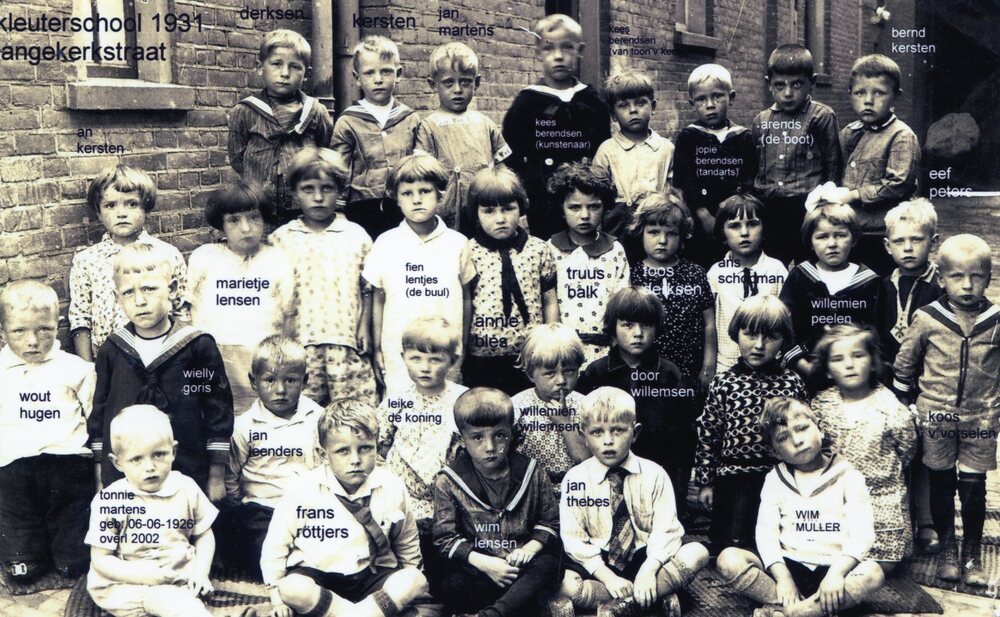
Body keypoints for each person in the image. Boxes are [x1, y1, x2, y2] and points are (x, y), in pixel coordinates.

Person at [893, 234, 999, 585]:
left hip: (981, 418)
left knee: (974, 487)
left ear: (989, 278)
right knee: (941, 483)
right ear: (941, 278)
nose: (967, 285)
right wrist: (906, 406)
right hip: (936, 416)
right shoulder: (928, 318)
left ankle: (972, 555)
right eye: (957, 276)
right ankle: (948, 550)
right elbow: (904, 366)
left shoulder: (996, 319)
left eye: (976, 276)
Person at [716, 397, 885, 617]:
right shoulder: (775, 479)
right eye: (783, 437)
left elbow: (863, 535)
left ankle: (790, 612)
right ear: (775, 451)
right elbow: (766, 535)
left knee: (873, 572)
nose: (797, 441)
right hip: (789, 567)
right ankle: (810, 610)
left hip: (834, 569)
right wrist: (783, 577)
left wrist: (836, 574)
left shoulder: (848, 476)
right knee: (728, 559)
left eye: (802, 428)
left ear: (820, 429)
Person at [89, 242, 233, 496]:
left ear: (172, 289)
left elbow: (217, 412)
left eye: (149, 289)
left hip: (186, 470)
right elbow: (100, 412)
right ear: (117, 297)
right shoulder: (113, 349)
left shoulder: (197, 346)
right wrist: (102, 472)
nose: (140, 301)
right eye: (128, 292)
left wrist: (216, 475)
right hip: (127, 477)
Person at [260, 400, 428, 617]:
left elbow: (406, 540)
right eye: (343, 451)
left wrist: (412, 586)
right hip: (318, 576)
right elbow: (275, 546)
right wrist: (276, 597)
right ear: (324, 454)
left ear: (377, 446)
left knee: (415, 579)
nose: (356, 460)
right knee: (291, 589)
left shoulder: (392, 486)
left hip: (371, 577)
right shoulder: (302, 489)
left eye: (365, 448)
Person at [560, 387, 709, 617]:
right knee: (563, 582)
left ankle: (624, 605)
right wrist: (607, 577)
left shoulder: (655, 474)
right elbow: (573, 539)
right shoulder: (575, 479)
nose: (608, 441)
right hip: (599, 562)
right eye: (597, 432)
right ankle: (654, 598)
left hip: (646, 557)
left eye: (618, 430)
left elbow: (667, 530)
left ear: (635, 432)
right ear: (583, 436)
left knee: (697, 553)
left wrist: (649, 570)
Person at [432, 388, 564, 617]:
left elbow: (550, 522)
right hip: (481, 568)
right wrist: (485, 564)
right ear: (462, 438)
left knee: (549, 564)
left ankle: (493, 614)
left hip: (521, 568)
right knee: (452, 583)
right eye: (477, 437)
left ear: (512, 433)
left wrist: (529, 549)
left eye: (499, 435)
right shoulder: (448, 480)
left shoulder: (532, 471)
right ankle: (516, 607)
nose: (490, 447)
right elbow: (445, 538)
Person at [695, 295, 807, 557]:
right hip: (732, 477)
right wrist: (706, 482)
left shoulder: (791, 383)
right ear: (736, 334)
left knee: (774, 542)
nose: (759, 345)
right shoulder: (724, 383)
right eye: (750, 334)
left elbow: (803, 432)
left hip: (778, 476)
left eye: (770, 337)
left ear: (783, 340)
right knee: (729, 543)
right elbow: (709, 434)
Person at [0, 281, 95, 582]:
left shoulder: (76, 369)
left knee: (74, 563)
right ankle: (25, 554)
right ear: (2, 331)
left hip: (66, 465)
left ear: (59, 325)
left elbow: (94, 414)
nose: (33, 341)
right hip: (13, 468)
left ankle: (69, 553)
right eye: (19, 331)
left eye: (44, 330)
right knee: (22, 564)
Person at [269, 147, 377, 407]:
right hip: (301, 345)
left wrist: (365, 326)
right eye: (308, 189)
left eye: (327, 188)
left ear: (339, 191)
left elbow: (368, 287)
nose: (318, 197)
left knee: (354, 411)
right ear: (294, 192)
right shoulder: (281, 239)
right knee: (303, 411)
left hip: (346, 341)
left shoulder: (356, 236)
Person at [577, 287, 697, 522]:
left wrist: (679, 493)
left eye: (646, 325)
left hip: (657, 473)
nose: (638, 333)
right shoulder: (596, 372)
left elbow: (685, 437)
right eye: (628, 325)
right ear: (613, 327)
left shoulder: (670, 374)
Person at [86, 406, 218, 617]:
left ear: (173, 451)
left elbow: (204, 535)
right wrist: (146, 575)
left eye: (159, 454)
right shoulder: (110, 500)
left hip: (178, 575)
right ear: (117, 462)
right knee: (173, 603)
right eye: (136, 459)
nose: (150, 466)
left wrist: (201, 573)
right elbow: (101, 559)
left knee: (180, 600)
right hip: (128, 584)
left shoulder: (186, 487)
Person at [363, 154, 475, 392]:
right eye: (407, 193)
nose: (416, 200)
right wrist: (378, 349)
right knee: (402, 406)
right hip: (399, 352)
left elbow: (466, 297)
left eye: (424, 191)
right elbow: (377, 299)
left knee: (446, 407)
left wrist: (462, 346)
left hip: (445, 352)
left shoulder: (457, 243)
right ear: (396, 198)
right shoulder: (385, 243)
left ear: (440, 194)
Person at [811, 325, 917, 575]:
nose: (849, 365)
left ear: (872, 362)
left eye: (858, 356)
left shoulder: (891, 409)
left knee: (879, 565)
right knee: (819, 554)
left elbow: (907, 450)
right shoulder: (820, 405)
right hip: (836, 502)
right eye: (838, 359)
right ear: (827, 370)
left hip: (881, 501)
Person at [184, 181, 296, 414]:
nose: (246, 228)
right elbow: (185, 310)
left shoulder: (277, 259)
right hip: (214, 357)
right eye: (234, 220)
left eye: (254, 217)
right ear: (221, 225)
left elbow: (288, 316)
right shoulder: (204, 258)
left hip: (261, 357)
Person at [219, 335, 323, 577]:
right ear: (253, 381)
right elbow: (231, 473)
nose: (280, 390)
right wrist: (239, 506)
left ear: (305, 381)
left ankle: (306, 572)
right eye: (270, 380)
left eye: (291, 380)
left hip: (309, 508)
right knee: (261, 549)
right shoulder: (245, 426)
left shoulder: (318, 418)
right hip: (263, 509)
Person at [502, 13, 610, 239]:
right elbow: (511, 156)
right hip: (542, 200)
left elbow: (603, 152)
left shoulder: (591, 101)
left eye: (567, 47)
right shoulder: (526, 103)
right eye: (549, 48)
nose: (558, 56)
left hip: (584, 200)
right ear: (538, 52)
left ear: (580, 50)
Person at [877, 198, 942, 554]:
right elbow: (876, 333)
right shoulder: (883, 285)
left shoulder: (941, 286)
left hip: (929, 383)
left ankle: (928, 521)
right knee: (894, 450)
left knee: (927, 453)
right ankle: (897, 519)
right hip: (890, 383)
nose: (908, 248)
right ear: (888, 246)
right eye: (900, 241)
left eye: (916, 240)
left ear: (933, 242)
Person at [69, 164, 186, 361]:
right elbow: (81, 319)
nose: (121, 213)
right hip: (109, 363)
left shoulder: (167, 254)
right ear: (98, 213)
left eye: (132, 204)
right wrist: (89, 368)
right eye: (110, 205)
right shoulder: (86, 261)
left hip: (161, 359)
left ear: (146, 208)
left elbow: (180, 309)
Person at [463, 167, 559, 394]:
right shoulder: (468, 251)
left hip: (530, 356)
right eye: (488, 211)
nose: (500, 219)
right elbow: (464, 304)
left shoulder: (539, 249)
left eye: (508, 209)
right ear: (476, 213)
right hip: (483, 358)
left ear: (521, 207)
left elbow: (549, 300)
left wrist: (550, 342)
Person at [228, 29, 334, 226]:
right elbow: (237, 157)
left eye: (294, 67)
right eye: (276, 64)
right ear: (260, 68)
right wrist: (260, 178)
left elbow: (327, 151)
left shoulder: (316, 111)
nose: (285, 73)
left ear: (307, 73)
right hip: (260, 206)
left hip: (303, 208)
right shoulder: (244, 111)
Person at [752, 44, 842, 265]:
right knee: (772, 267)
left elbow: (833, 166)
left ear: (812, 83)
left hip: (807, 207)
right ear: (769, 84)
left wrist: (827, 207)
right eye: (780, 85)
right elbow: (757, 165)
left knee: (810, 267)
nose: (788, 93)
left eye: (797, 84)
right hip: (772, 208)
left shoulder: (821, 117)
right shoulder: (761, 121)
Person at [834, 54, 920, 275]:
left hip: (883, 233)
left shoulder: (901, 135)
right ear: (850, 94)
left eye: (879, 93)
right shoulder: (848, 133)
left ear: (895, 96)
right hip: (852, 231)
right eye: (860, 93)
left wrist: (854, 195)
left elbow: (898, 184)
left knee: (881, 285)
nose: (868, 101)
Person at [779, 202, 880, 387]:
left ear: (853, 239)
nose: (832, 244)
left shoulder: (869, 281)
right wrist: (803, 365)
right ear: (811, 241)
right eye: (822, 237)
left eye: (840, 235)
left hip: (854, 372)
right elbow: (784, 326)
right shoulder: (800, 277)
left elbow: (875, 333)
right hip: (806, 371)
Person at [377, 317, 466, 524]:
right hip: (403, 498)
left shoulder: (462, 400)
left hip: (448, 498)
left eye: (435, 360)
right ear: (403, 357)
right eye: (416, 358)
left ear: (453, 361)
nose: (425, 367)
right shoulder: (396, 402)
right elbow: (381, 444)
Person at [415, 42, 511, 233]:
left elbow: (502, 167)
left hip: (484, 204)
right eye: (448, 83)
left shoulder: (485, 123)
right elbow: (423, 173)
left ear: (477, 82)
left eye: (465, 82)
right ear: (433, 84)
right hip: (448, 209)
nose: (458, 89)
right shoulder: (429, 126)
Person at [332, 35, 421, 238]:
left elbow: (419, 164)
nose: (378, 79)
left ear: (398, 74)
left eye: (386, 71)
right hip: (362, 208)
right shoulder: (348, 121)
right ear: (357, 78)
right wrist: (338, 210)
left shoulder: (410, 118)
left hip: (404, 204)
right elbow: (339, 170)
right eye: (369, 73)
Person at [628, 192, 717, 389]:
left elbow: (709, 323)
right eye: (654, 232)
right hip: (647, 370)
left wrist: (708, 366)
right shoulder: (633, 275)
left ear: (682, 235)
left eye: (671, 233)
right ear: (641, 232)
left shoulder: (695, 273)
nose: (662, 240)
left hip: (690, 369)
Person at [673, 64, 757, 268]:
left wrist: (733, 212)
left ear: (731, 97)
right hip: (701, 220)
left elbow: (749, 178)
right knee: (701, 264)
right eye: (701, 99)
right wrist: (704, 216)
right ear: (692, 103)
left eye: (717, 96)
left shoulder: (743, 137)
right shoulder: (688, 137)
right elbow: (686, 181)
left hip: (736, 218)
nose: (710, 105)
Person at [546, 161, 629, 364]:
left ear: (605, 207)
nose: (585, 215)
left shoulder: (614, 250)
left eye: (593, 207)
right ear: (562, 208)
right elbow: (548, 300)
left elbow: (621, 302)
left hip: (605, 349)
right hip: (564, 349)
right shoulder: (551, 248)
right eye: (575, 207)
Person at [707, 194, 788, 373]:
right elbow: (709, 324)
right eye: (734, 226)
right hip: (726, 366)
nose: (744, 232)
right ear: (723, 232)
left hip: (771, 367)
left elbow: (785, 322)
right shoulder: (715, 273)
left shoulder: (776, 270)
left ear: (764, 228)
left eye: (752, 224)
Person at [591, 71, 674, 237]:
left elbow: (675, 193)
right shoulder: (607, 150)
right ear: (613, 115)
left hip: (657, 226)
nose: (633, 110)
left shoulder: (666, 148)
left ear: (653, 107)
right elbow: (596, 195)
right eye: (623, 105)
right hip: (618, 229)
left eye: (640, 103)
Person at [511, 324, 590, 489]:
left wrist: (565, 423)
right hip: (531, 491)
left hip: (577, 490)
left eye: (569, 371)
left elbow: (587, 461)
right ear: (531, 374)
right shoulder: (516, 408)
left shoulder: (587, 406)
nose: (561, 380)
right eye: (550, 373)